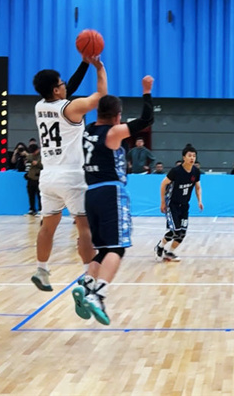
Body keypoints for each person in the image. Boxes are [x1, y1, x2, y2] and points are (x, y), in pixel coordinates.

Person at [71, 75, 155, 325]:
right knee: (117, 248)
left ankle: (87, 283)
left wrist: (99, 70)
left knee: (105, 249)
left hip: (91, 193)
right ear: (118, 116)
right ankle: (98, 294)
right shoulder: (114, 132)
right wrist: (147, 91)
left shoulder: (88, 130)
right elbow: (147, 120)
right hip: (111, 192)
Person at [29, 57, 104, 292]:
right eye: (61, 83)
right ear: (55, 89)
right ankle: (88, 278)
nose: (65, 86)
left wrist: (84, 63)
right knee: (84, 227)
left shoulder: (40, 106)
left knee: (47, 226)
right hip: (72, 177)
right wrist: (99, 68)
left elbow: (67, 88)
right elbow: (101, 96)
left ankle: (41, 270)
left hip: (48, 177)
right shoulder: (71, 108)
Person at [154, 144, 204, 262]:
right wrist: (163, 202)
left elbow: (197, 187)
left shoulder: (196, 171)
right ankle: (160, 246)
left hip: (184, 205)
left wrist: (200, 201)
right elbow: (163, 184)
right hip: (172, 204)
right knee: (175, 231)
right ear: (184, 157)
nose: (192, 158)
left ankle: (169, 252)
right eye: (189, 155)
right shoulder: (176, 171)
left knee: (182, 233)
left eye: (194, 156)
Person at [25, 144, 42, 215]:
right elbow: (27, 165)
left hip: (39, 178)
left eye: (34, 152)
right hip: (30, 178)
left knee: (40, 195)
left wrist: (37, 163)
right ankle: (32, 208)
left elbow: (44, 166)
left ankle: (41, 209)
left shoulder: (42, 156)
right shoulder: (30, 156)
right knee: (31, 194)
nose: (33, 153)